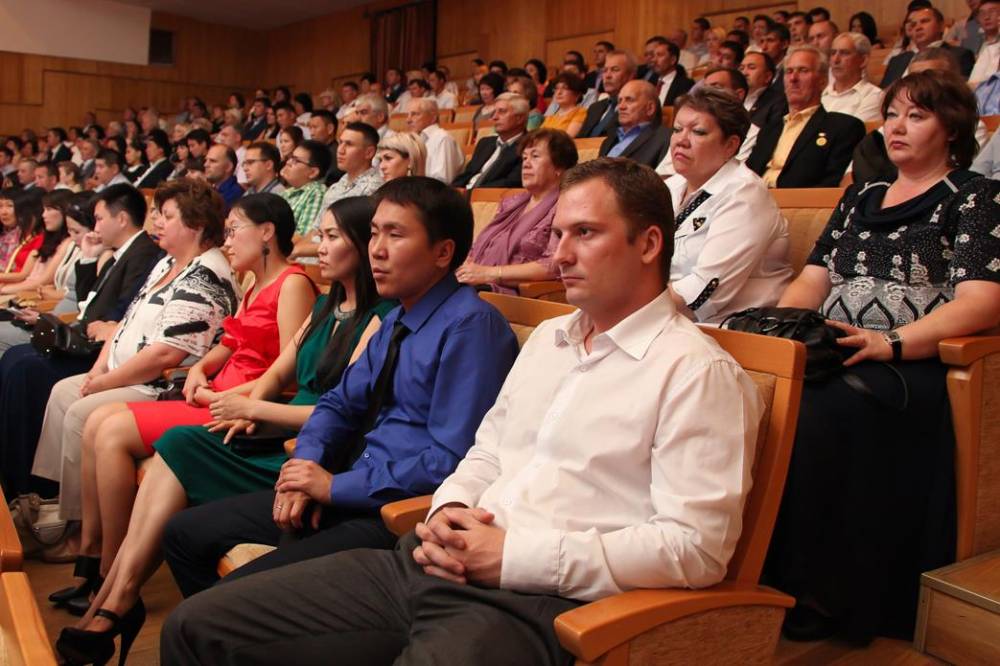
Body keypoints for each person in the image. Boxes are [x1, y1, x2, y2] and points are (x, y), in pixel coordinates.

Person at [160, 156, 762, 666]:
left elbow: (696, 549)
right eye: (557, 234)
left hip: (534, 600)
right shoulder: (551, 341)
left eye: (585, 234)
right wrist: (449, 507)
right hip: (428, 558)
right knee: (195, 626)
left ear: (649, 243)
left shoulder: (695, 372)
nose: (559, 255)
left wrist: (513, 557)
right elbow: (486, 451)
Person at [766, 71, 1000, 646]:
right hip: (834, 351)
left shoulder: (975, 196)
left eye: (916, 116)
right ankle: (760, 575)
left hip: (913, 363)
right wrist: (779, 333)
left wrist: (890, 342)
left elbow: (980, 302)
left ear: (952, 129)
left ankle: (821, 591)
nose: (896, 126)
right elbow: (813, 279)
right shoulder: (861, 196)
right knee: (760, 391)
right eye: (892, 114)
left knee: (815, 413)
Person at [49, 194, 316, 616]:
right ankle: (93, 556)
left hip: (236, 407)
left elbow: (290, 372)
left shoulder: (293, 283)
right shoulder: (253, 282)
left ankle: (108, 569)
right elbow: (231, 343)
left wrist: (227, 396)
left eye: (234, 230)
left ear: (267, 232)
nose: (227, 241)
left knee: (110, 430)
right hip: (214, 393)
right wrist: (200, 371)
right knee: (97, 423)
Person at [31, 179, 239, 525]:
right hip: (125, 371)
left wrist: (106, 382)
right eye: (157, 214)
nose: (156, 221)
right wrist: (99, 369)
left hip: (159, 385)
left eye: (167, 216)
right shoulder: (166, 262)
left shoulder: (207, 274)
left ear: (196, 225)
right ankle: (60, 502)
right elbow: (125, 322)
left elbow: (166, 356)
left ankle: (80, 524)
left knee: (80, 412)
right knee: (61, 392)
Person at [664, 87, 792, 324]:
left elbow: (703, 292)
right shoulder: (671, 186)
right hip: (665, 316)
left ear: (730, 145)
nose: (681, 140)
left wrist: (627, 304)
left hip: (728, 328)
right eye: (677, 129)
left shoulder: (745, 194)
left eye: (698, 132)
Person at [456, 129, 577, 294]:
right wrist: (467, 269)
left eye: (535, 156)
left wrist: (490, 273)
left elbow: (554, 264)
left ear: (559, 167)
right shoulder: (510, 203)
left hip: (512, 293)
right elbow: (479, 247)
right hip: (477, 282)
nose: (526, 164)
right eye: (524, 158)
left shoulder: (566, 206)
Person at [747, 45, 865, 187]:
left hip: (799, 200)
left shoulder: (843, 127)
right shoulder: (769, 129)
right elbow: (748, 175)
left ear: (823, 81)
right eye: (789, 71)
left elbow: (830, 186)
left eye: (803, 70)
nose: (793, 78)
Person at [881, 6, 975, 85]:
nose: (918, 27)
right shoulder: (896, 61)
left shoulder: (959, 55)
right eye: (913, 24)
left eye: (924, 21)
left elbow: (959, 92)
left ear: (941, 26)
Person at [453, 93, 529, 189]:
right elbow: (467, 174)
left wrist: (472, 192)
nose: (494, 117)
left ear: (519, 118)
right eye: (494, 112)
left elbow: (511, 183)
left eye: (502, 112)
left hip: (489, 196)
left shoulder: (528, 146)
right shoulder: (485, 143)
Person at [598, 80, 670, 168]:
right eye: (619, 101)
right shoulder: (609, 140)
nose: (621, 107)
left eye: (629, 100)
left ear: (650, 108)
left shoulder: (665, 138)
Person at [822, 33, 883, 123]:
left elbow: (854, 130)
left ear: (863, 60)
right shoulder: (820, 93)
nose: (835, 60)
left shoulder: (873, 96)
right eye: (833, 53)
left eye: (844, 53)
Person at [578, 50, 637, 138]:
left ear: (631, 75)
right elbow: (579, 140)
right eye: (605, 70)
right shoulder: (595, 108)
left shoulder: (636, 107)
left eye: (615, 70)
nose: (607, 76)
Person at [279, 140, 331, 239]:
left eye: (296, 160)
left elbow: (304, 236)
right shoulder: (286, 193)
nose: (288, 162)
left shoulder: (316, 192)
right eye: (290, 158)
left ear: (313, 172)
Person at [407, 98, 464, 184]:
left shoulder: (443, 139)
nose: (408, 120)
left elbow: (442, 181)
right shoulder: (414, 140)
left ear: (433, 117)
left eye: (415, 114)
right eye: (407, 115)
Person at [740, 52, 787, 128]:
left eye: (751, 68)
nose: (744, 73)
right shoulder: (734, 98)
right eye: (741, 68)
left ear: (767, 76)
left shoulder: (778, 101)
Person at [204, 145, 244, 210]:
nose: (205, 165)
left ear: (228, 167)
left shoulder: (235, 193)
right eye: (206, 160)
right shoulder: (212, 189)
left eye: (213, 161)